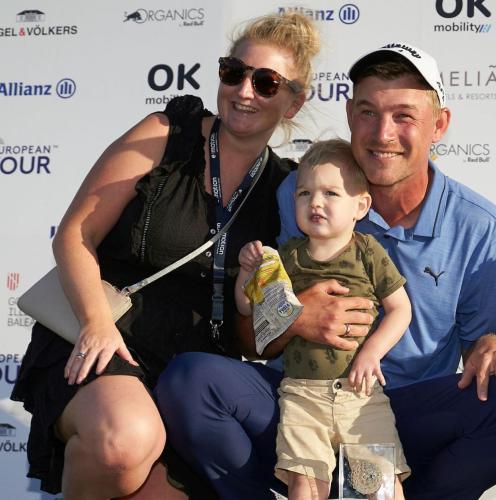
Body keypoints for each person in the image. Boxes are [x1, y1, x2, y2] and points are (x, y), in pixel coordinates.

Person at [157, 41, 496, 500]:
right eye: (367, 113)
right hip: (299, 398)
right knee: (191, 380)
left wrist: (494, 345)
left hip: (404, 413)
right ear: (348, 114)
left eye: (403, 116)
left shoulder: (477, 221)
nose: (382, 133)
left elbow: (487, 337)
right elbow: (251, 338)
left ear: (439, 125)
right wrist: (296, 319)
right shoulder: (298, 193)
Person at [10, 11, 320, 499]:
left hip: (192, 376)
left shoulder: (287, 190)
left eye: (266, 83)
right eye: (233, 73)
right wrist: (97, 324)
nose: (244, 91)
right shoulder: (166, 134)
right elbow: (75, 233)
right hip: (108, 336)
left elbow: (256, 330)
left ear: (294, 101)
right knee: (125, 440)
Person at [236, 138, 411, 499]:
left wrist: (371, 353)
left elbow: (401, 309)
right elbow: (248, 307)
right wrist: (246, 274)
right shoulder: (285, 257)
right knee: (304, 483)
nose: (315, 202)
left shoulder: (368, 252)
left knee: (378, 485)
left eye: (331, 193)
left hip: (361, 394)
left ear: (360, 206)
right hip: (301, 395)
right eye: (305, 194)